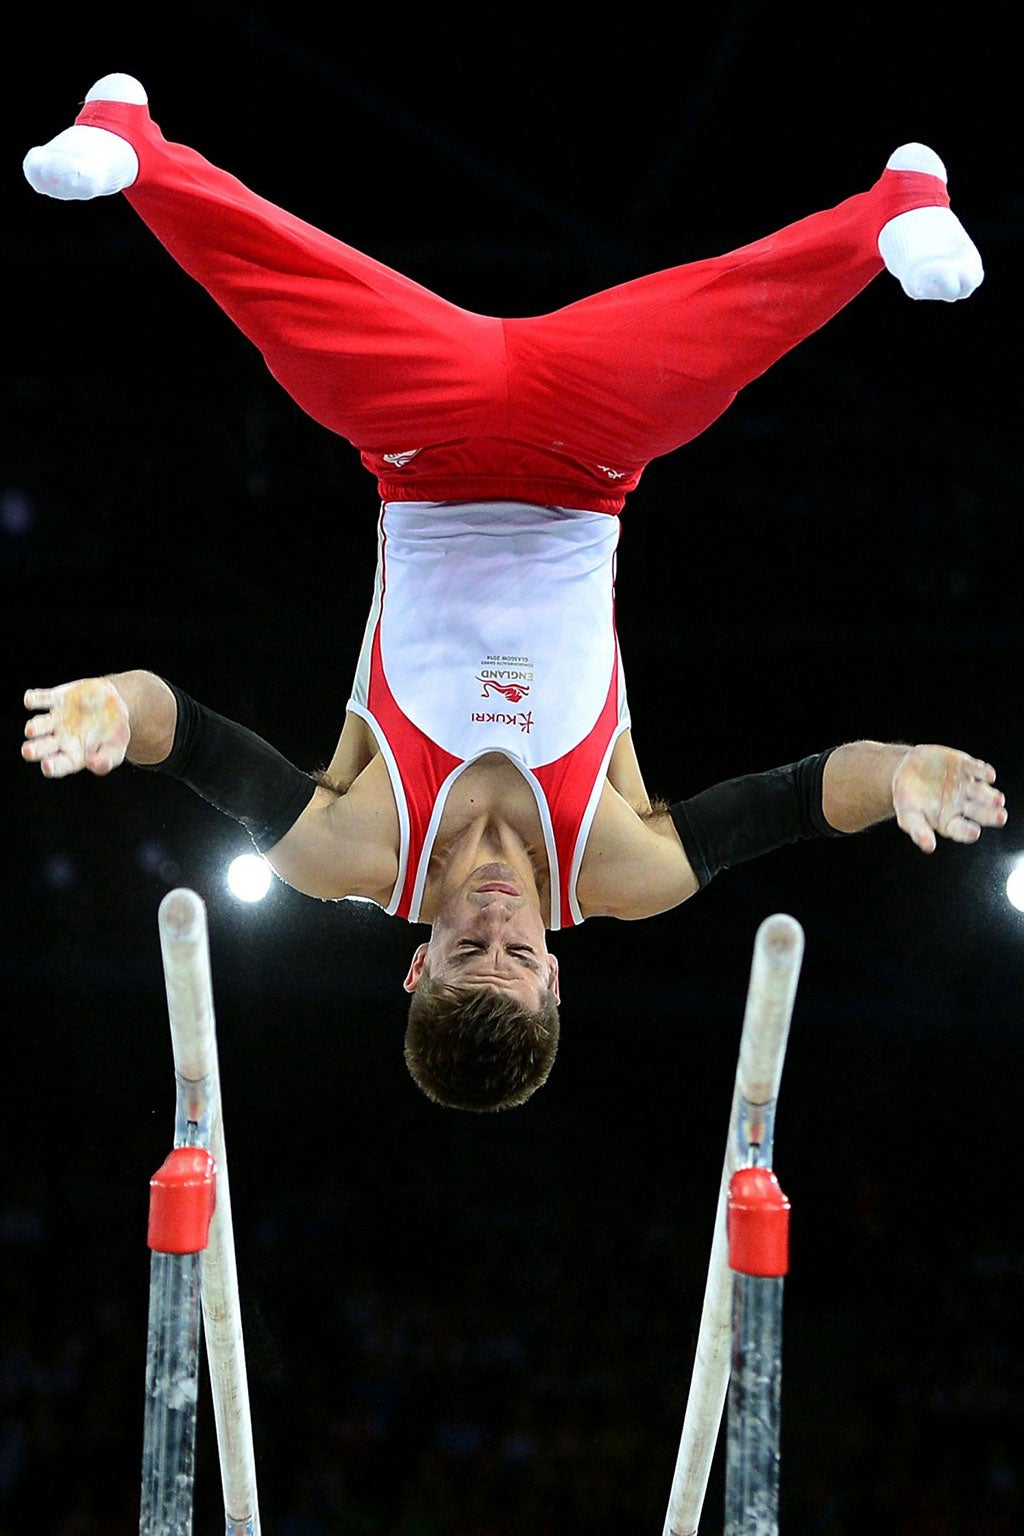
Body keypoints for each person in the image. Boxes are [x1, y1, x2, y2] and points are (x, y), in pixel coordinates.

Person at [20, 75, 1007, 1112]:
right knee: (715, 346)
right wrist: (895, 772)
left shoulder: (348, 849)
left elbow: (183, 734)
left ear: (417, 965)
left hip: (420, 447)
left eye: (465, 949)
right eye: (518, 954)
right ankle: (890, 211)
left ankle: (131, 143)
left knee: (296, 321)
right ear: (557, 976)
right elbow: (803, 797)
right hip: (588, 461)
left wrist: (115, 710)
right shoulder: (625, 868)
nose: (495, 919)